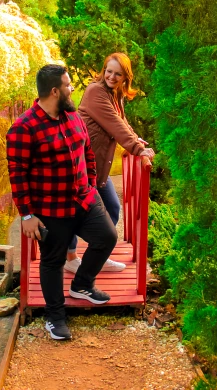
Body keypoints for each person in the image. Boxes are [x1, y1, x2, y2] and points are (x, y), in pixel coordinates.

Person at [7, 64, 118, 340]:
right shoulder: (23, 128)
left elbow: (88, 151)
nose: (72, 89)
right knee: (52, 261)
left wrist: (90, 183)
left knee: (107, 237)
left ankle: (82, 285)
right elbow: (17, 175)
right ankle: (55, 317)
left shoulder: (73, 117)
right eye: (68, 85)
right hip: (50, 209)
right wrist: (26, 215)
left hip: (84, 201)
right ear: (55, 91)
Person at [64, 52, 155, 274]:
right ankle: (71, 258)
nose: (112, 77)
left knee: (112, 208)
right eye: (109, 71)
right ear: (103, 70)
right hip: (81, 166)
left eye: (118, 74)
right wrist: (138, 148)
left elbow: (122, 122)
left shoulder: (114, 94)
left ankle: (98, 254)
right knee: (75, 211)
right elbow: (115, 124)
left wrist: (136, 139)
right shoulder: (96, 91)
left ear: (125, 77)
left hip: (97, 168)